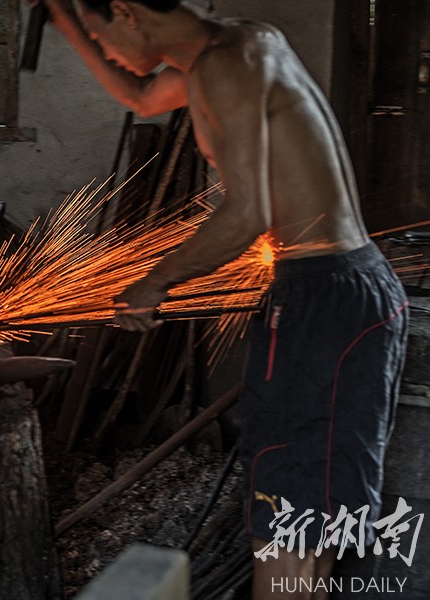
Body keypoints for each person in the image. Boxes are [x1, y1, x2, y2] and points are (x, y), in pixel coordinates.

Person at [38, 0, 409, 597]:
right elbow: (139, 96)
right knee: (306, 508)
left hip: (324, 294)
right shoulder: (240, 46)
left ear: (128, 12)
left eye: (102, 36)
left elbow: (247, 212)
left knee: (290, 507)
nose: (103, 52)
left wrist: (155, 281)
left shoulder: (223, 66)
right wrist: (67, 20)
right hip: (339, 288)